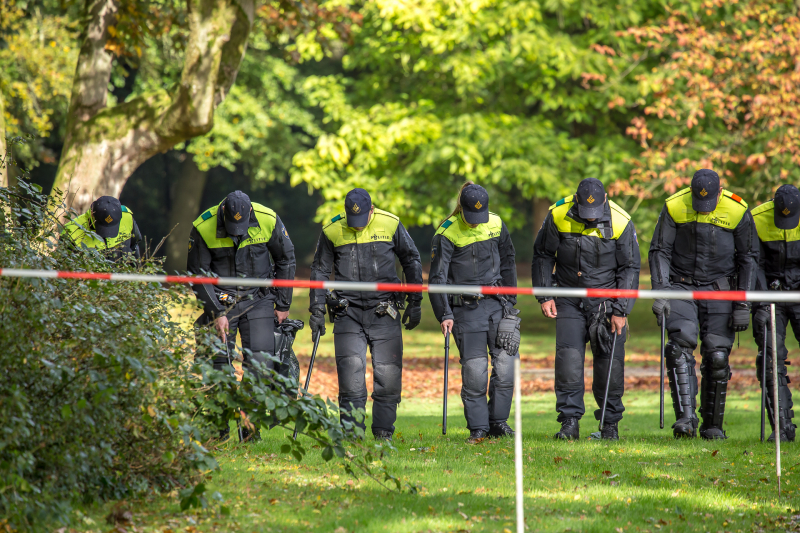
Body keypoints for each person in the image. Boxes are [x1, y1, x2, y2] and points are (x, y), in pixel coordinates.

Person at [649, 169, 758, 440]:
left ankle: (713, 426)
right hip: (681, 286)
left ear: (721, 191)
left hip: (721, 288)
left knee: (717, 355)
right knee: (678, 346)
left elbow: (749, 257)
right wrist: (661, 292)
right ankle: (685, 420)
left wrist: (742, 303)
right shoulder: (674, 206)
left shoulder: (737, 209)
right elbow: (659, 250)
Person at [309, 188, 422, 440]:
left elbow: (411, 260)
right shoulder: (331, 231)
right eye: (352, 221)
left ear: (372, 210)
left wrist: (415, 301)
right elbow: (319, 271)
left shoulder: (391, 223)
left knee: (388, 376)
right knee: (350, 377)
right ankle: (351, 434)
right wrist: (316, 309)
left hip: (384, 311)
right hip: (347, 313)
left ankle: (383, 432)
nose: (357, 227)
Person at [532, 178, 640, 441]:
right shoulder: (558, 214)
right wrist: (545, 295)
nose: (589, 219)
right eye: (584, 214)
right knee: (568, 361)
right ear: (576, 200)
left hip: (607, 302)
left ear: (605, 200)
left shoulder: (621, 220)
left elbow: (630, 268)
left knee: (609, 364)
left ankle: (609, 425)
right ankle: (569, 423)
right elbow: (543, 255)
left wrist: (621, 310)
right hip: (569, 297)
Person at [187, 190, 296, 441]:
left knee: (261, 364)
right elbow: (197, 273)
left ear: (250, 213)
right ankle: (218, 431)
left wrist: (283, 302)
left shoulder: (268, 219)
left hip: (258, 299)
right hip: (220, 300)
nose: (237, 232)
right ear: (223, 212)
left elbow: (286, 259)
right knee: (217, 366)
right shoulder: (203, 226)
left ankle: (249, 429)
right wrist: (216, 312)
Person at [429, 182, 519, 444]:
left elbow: (509, 259)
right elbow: (437, 278)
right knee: (475, 372)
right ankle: (478, 428)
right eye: (472, 218)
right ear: (462, 210)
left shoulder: (496, 224)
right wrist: (444, 313)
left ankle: (498, 423)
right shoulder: (446, 233)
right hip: (466, 311)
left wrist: (510, 299)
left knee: (505, 367)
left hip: (498, 306)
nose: (477, 223)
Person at [750, 184, 799, 442]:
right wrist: (763, 294)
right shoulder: (757, 218)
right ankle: (781, 427)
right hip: (770, 295)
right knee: (770, 356)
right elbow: (753, 262)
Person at [62, 196, 142, 259]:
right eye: (102, 227)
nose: (107, 234)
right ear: (92, 214)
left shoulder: (127, 217)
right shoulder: (71, 230)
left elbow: (134, 245)